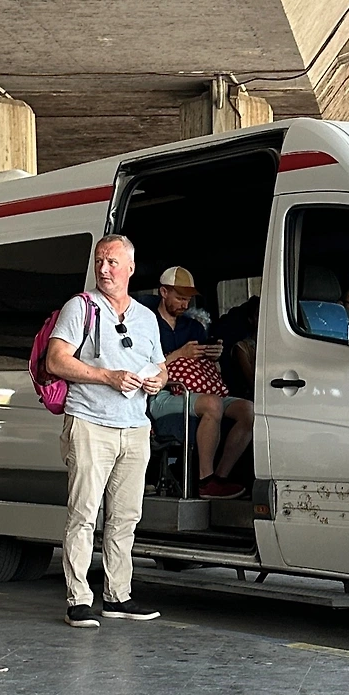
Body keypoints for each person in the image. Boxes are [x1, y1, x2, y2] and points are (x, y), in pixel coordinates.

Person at [45, 235, 167, 629]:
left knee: (125, 517)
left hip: (135, 427)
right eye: (99, 261)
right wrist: (107, 377)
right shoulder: (80, 307)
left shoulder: (146, 317)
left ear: (130, 268)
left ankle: (118, 596)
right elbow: (56, 361)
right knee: (83, 514)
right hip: (90, 423)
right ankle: (78, 599)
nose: (104, 268)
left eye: (112, 262)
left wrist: (158, 381)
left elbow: (160, 366)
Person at [148, 267, 254, 499]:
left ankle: (220, 477)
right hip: (163, 394)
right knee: (213, 404)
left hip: (199, 389)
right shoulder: (147, 324)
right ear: (163, 292)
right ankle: (205, 480)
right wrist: (179, 354)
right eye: (180, 298)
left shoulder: (193, 326)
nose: (185, 304)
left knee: (248, 410)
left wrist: (214, 356)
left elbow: (206, 368)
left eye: (188, 299)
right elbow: (143, 369)